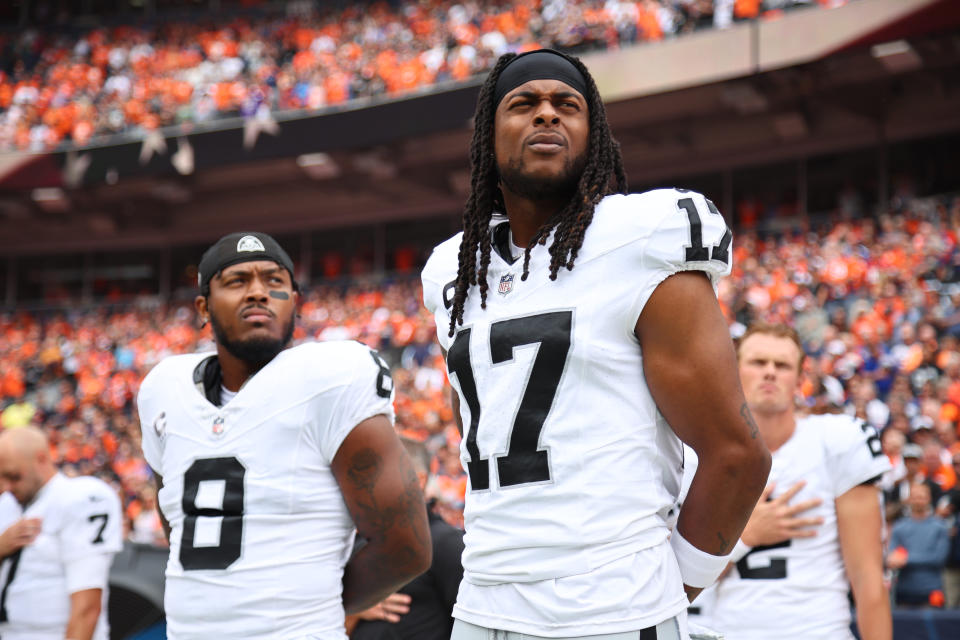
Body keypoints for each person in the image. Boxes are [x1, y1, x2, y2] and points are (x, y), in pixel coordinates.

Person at [421, 48, 771, 640]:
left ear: (593, 131)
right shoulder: (452, 271)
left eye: (567, 105)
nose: (547, 116)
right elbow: (479, 429)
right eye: (524, 103)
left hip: (612, 609)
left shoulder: (641, 238)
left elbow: (737, 454)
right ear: (488, 134)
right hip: (480, 604)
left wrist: (665, 589)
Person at [136, 231, 431, 640]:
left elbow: (407, 547)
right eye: (237, 281)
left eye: (274, 281)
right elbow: (178, 523)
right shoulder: (163, 388)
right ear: (203, 306)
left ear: (294, 301)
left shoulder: (334, 375)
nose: (258, 292)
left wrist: (311, 608)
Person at [708, 323, 892, 640]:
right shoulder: (699, 452)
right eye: (757, 362)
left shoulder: (837, 441)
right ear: (734, 371)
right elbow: (674, 581)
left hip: (819, 630)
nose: (770, 372)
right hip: (726, 631)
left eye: (781, 365)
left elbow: (867, 578)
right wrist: (746, 535)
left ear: (799, 378)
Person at [0, 426, 122, 640]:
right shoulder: (6, 505)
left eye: (14, 476)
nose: (7, 486)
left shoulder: (79, 497)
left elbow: (86, 608)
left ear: (41, 459)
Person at [348, 437, 465, 640]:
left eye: (375, 472)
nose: (364, 483)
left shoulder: (446, 544)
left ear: (417, 481)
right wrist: (351, 613)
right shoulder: (355, 546)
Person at [887, 482, 950, 607]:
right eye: (915, 497)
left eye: (922, 497)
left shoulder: (939, 527)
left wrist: (906, 559)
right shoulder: (899, 527)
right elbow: (892, 557)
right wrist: (896, 559)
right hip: (904, 591)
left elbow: (938, 558)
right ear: (909, 499)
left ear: (929, 499)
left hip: (931, 590)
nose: (918, 501)